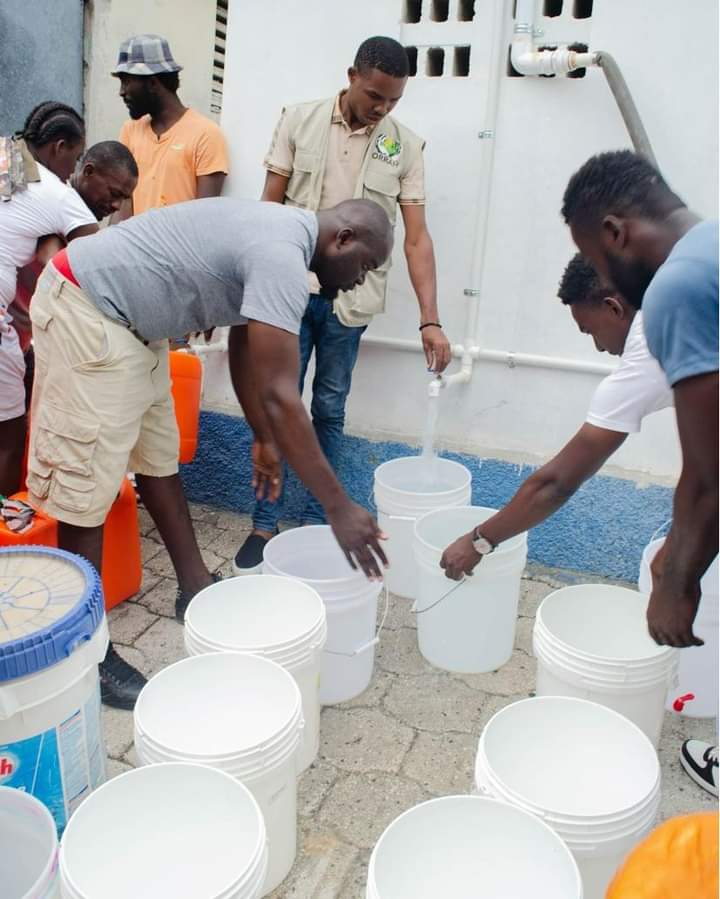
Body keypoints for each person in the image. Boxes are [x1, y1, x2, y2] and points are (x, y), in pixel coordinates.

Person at [26, 197, 393, 701]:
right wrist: (339, 508)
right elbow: (283, 397)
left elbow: (245, 345)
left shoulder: (284, 242)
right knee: (85, 491)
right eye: (366, 267)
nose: (360, 280)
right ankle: (85, 652)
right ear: (343, 239)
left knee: (159, 459)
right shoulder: (281, 255)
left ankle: (195, 587)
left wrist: (263, 437)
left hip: (133, 328)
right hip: (86, 309)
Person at [232, 35, 452, 572]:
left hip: (349, 302)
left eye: (394, 100)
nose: (383, 108)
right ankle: (264, 522)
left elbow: (416, 239)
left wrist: (431, 319)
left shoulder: (406, 146)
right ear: (353, 75)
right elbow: (268, 210)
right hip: (287, 291)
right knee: (277, 402)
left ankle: (319, 521)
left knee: (329, 408)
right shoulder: (298, 120)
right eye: (376, 95)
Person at [562, 149, 718, 796]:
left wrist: (679, 578)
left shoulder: (676, 290)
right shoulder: (709, 241)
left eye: (596, 261)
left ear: (615, 233)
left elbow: (710, 469)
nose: (607, 279)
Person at [440, 253, 672, 579]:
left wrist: (478, 541)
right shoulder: (681, 292)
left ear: (614, 308)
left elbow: (555, 484)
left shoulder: (647, 352)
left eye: (589, 330)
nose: (598, 347)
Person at [5, 140, 139, 491]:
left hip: (20, 339)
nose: (115, 205)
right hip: (14, 336)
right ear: (87, 170)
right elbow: (90, 278)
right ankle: (10, 533)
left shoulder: (29, 192)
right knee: (10, 434)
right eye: (113, 192)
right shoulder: (66, 208)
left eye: (123, 199)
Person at [0, 102, 99, 496]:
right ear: (59, 147)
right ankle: (8, 541)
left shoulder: (6, 153)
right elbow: (96, 257)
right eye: (75, 158)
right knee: (8, 436)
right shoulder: (59, 195)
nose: (73, 171)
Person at [112, 33, 229, 218]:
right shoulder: (130, 131)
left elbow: (205, 217)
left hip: (181, 247)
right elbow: (123, 206)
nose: (121, 92)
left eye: (126, 82)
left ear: (152, 83)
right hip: (136, 246)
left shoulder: (206, 134)